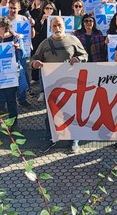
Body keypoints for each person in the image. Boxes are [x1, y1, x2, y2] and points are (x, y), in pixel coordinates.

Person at [31, 16, 88, 153]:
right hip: (51, 84)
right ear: (50, 28)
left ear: (64, 26)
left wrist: (79, 58)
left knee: (71, 111)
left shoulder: (73, 40)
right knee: (51, 113)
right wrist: (34, 63)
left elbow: (85, 56)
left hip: (71, 84)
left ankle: (74, 138)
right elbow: (33, 59)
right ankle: (50, 137)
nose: (57, 28)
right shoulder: (45, 43)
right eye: (54, 26)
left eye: (59, 25)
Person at [6, 0, 34, 107]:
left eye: (15, 8)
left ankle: (22, 99)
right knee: (9, 75)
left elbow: (31, 35)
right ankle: (7, 102)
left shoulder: (24, 19)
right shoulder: (4, 20)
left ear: (19, 8)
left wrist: (31, 26)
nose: (12, 10)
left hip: (21, 51)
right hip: (8, 52)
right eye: (11, 8)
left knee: (22, 74)